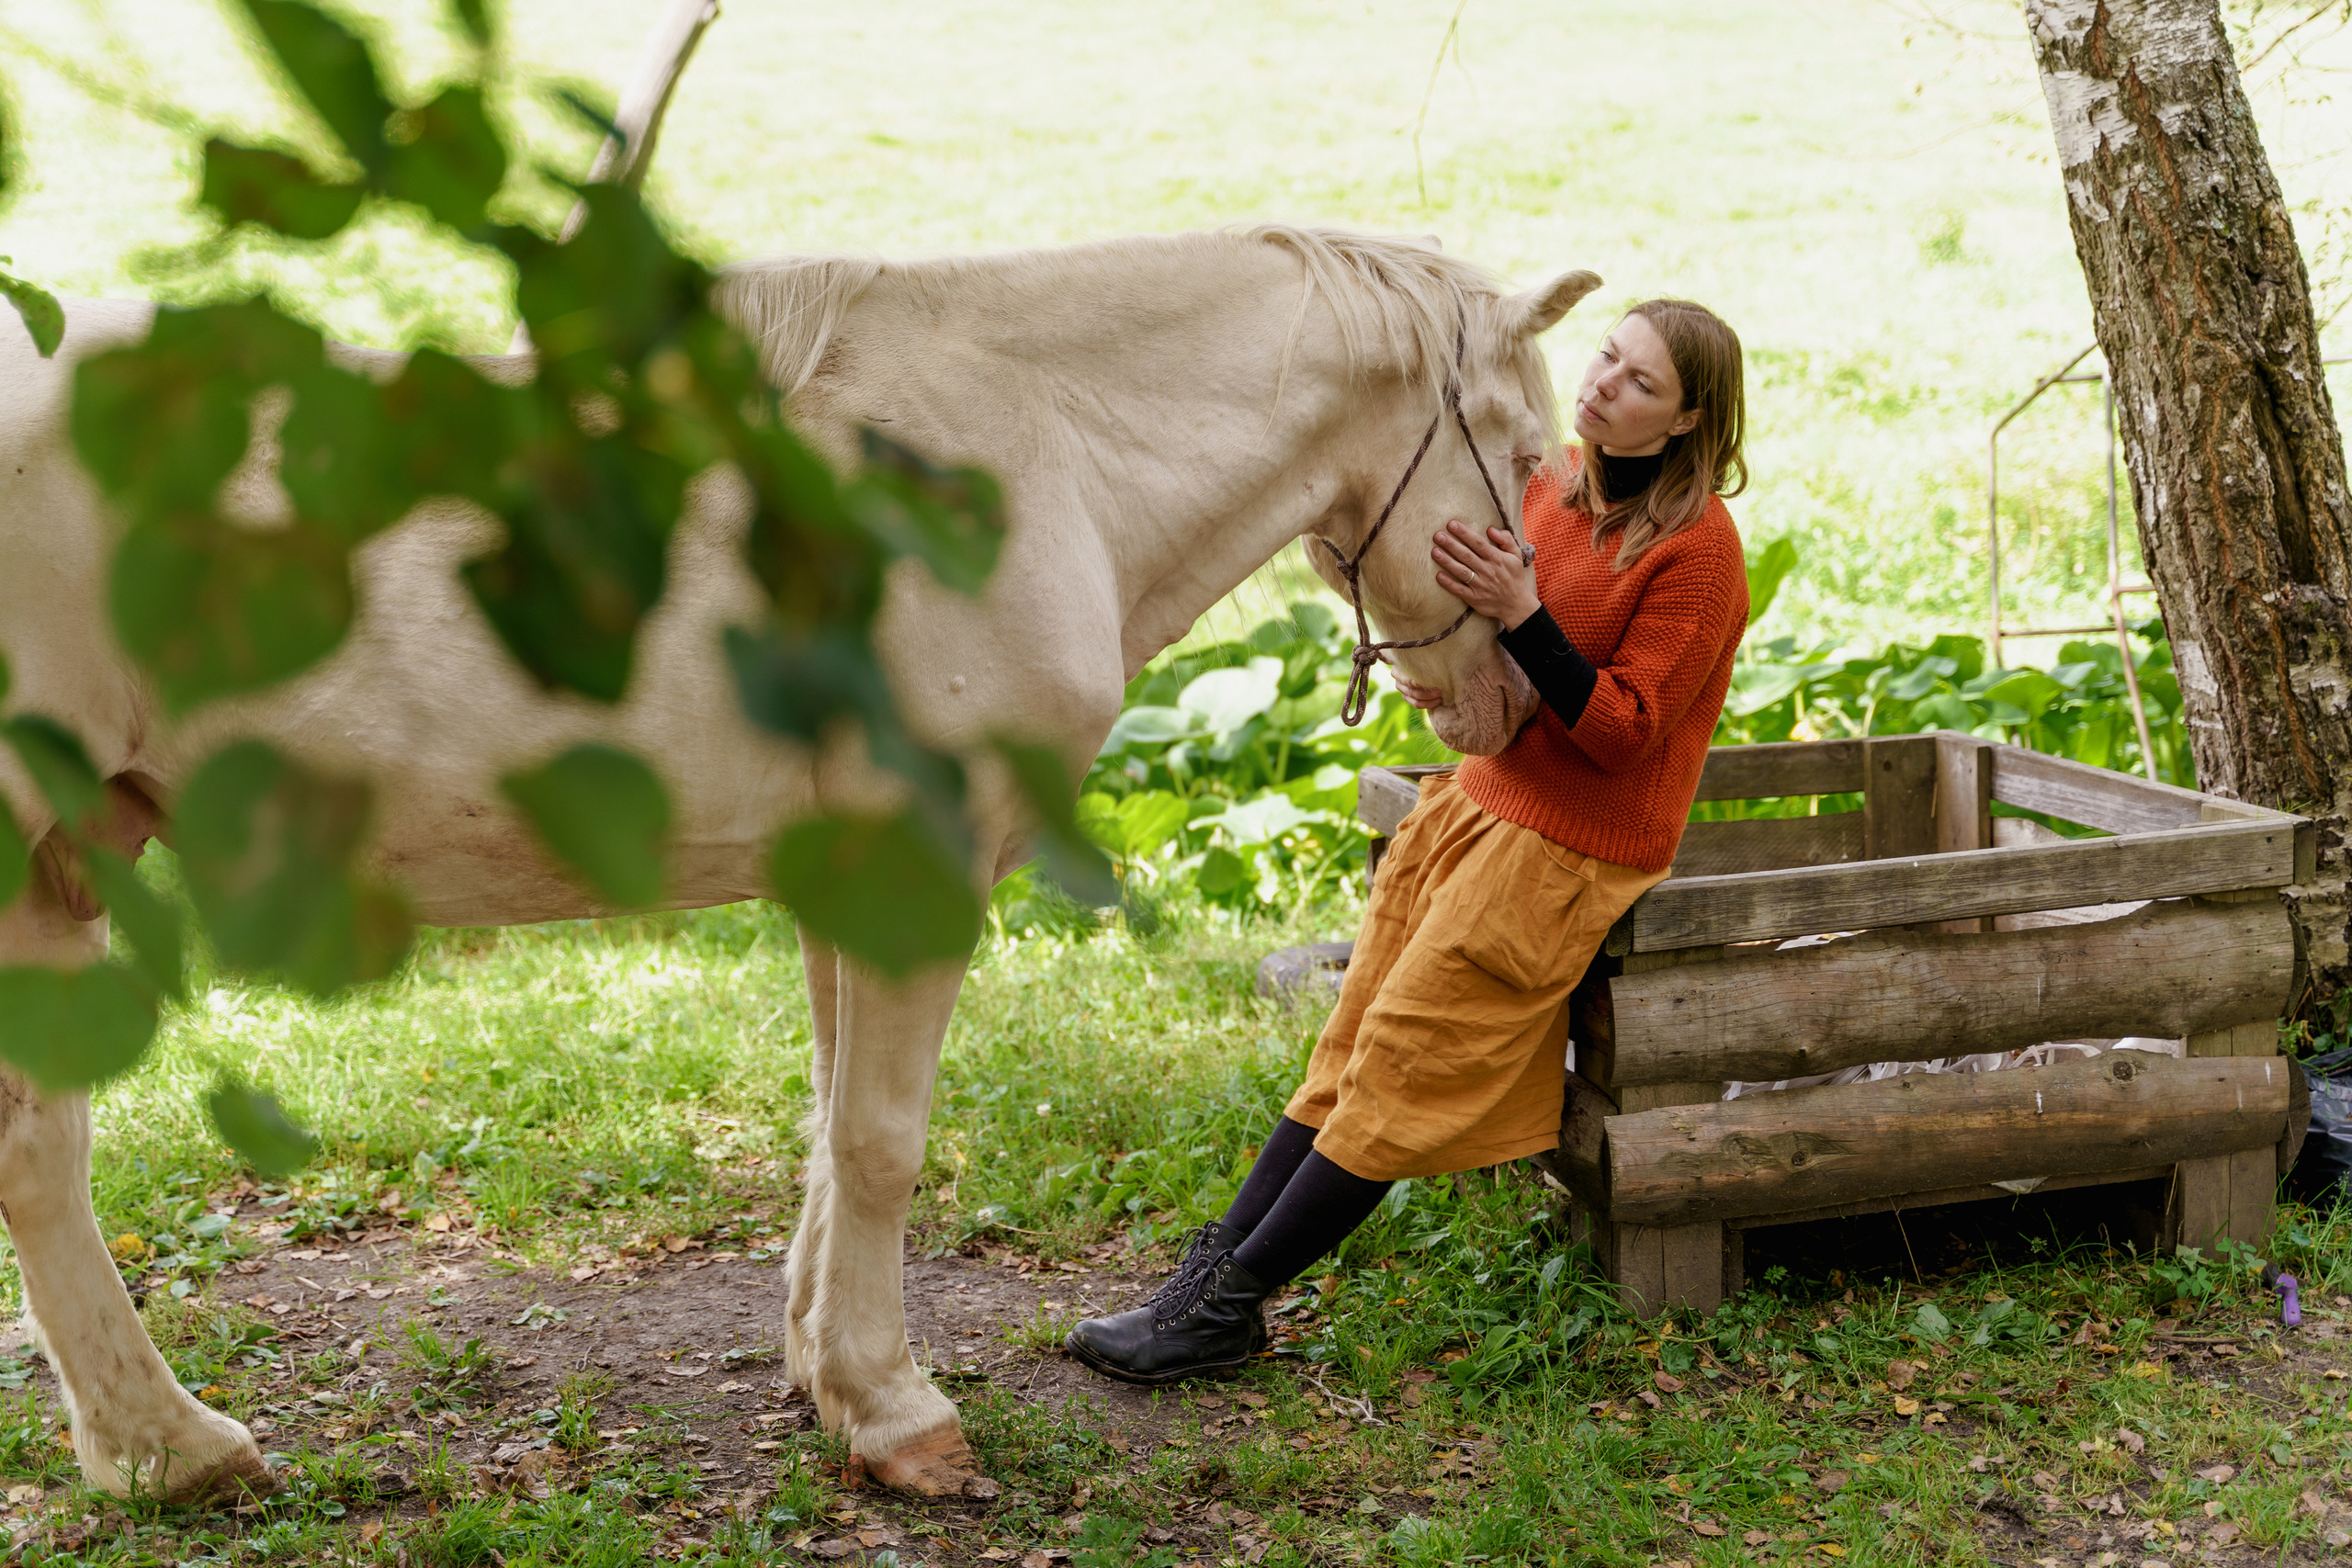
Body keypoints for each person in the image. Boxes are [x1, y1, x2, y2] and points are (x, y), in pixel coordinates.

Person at [1066, 298, 1752, 1385]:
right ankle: (1202, 1290)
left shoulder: (1699, 552)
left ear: (1685, 423)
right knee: (1347, 1051)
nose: (1602, 383)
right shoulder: (1545, 485)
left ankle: (1227, 1309)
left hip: (1572, 848)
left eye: (1639, 384)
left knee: (1402, 1068)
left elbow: (1622, 732)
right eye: (1607, 357)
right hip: (1475, 809)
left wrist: (1526, 613)